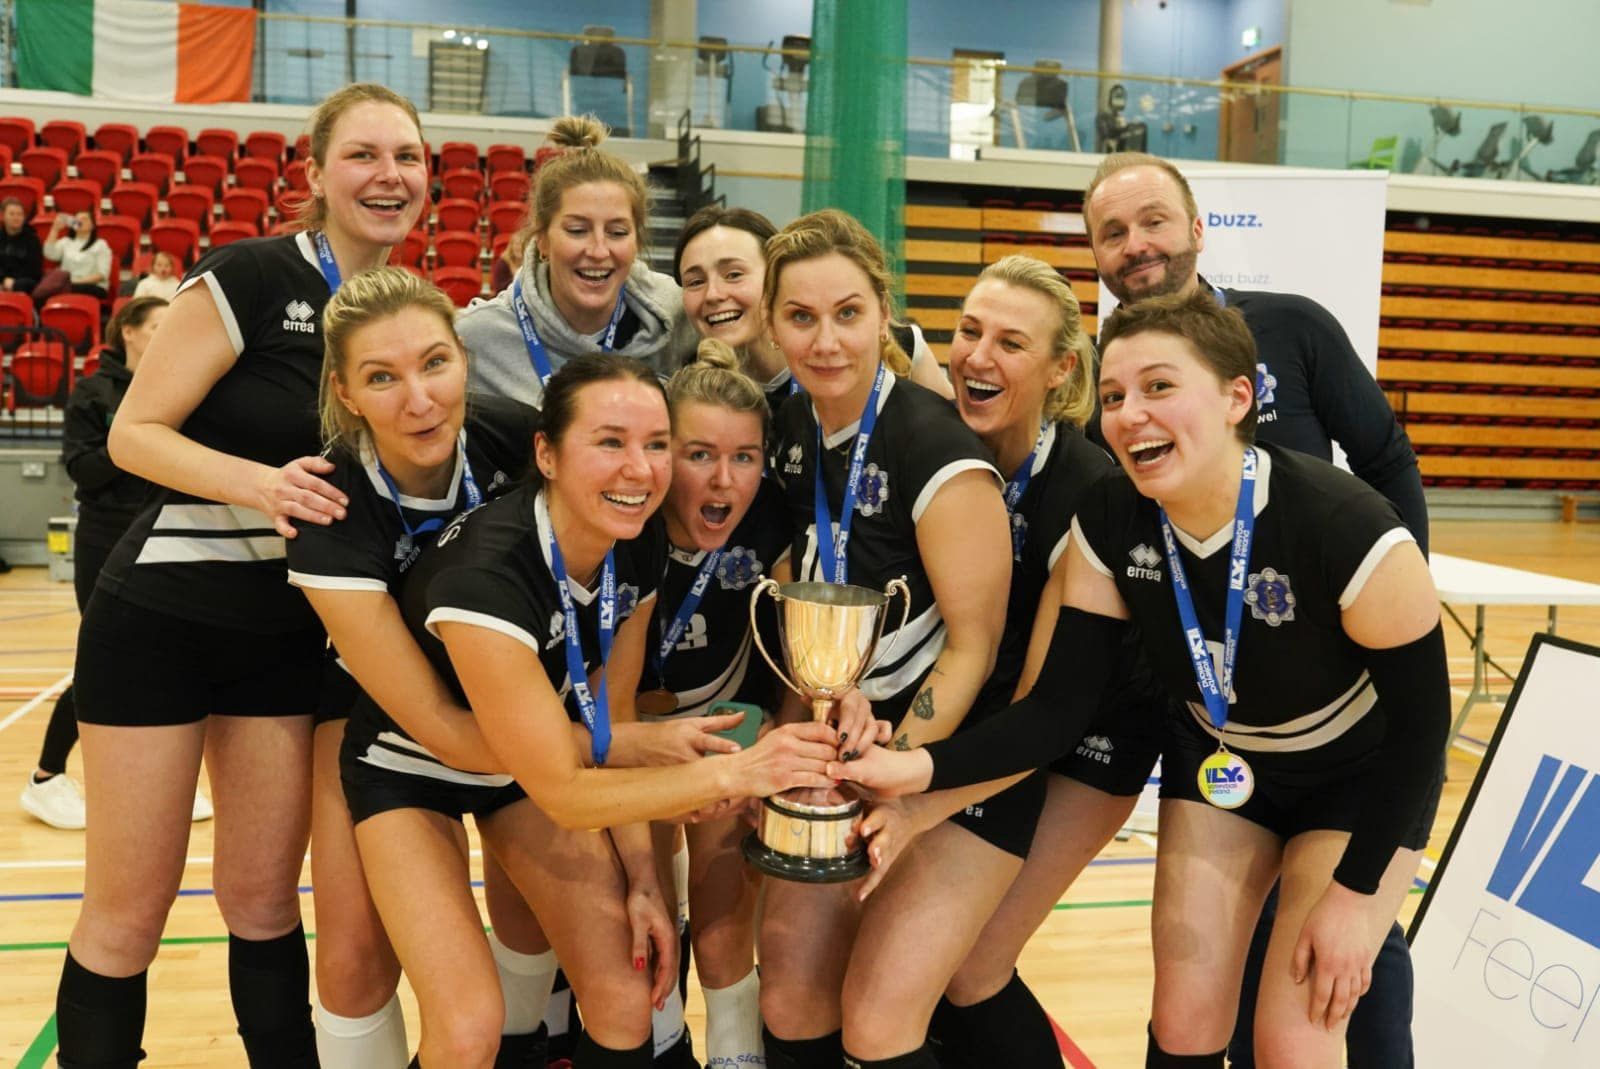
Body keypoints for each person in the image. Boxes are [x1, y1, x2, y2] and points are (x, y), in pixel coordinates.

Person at [838, 289, 1450, 1069]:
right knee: (1185, 1019)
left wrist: (1356, 896)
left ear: (1237, 397)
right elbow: (1057, 711)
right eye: (1118, 394)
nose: (1131, 414)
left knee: (1295, 1040)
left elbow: (1423, 734)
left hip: (1362, 780)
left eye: (1160, 387)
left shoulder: (1348, 526)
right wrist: (917, 775)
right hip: (1223, 761)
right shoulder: (1111, 516)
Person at [53, 83, 429, 1069]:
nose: (388, 176)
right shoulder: (253, 276)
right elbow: (134, 434)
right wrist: (264, 485)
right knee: (129, 914)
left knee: (264, 901)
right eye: (363, 155)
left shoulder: (399, 319)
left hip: (285, 639)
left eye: (407, 157)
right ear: (315, 172)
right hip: (161, 622)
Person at [342, 351, 838, 1068]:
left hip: (537, 761)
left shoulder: (628, 547)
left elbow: (610, 730)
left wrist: (644, 877)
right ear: (545, 453)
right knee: (468, 1027)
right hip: (415, 767)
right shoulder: (488, 581)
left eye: (656, 444)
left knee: (625, 995)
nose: (640, 469)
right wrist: (739, 775)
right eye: (611, 442)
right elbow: (569, 793)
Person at [1084, 151, 1430, 1068]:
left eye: (1152, 220)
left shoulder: (1294, 330)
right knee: (1193, 1000)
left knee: (1332, 982)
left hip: (1345, 716)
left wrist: (1402, 598)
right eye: (1111, 232)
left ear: (1199, 230)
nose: (1135, 244)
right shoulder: (1109, 392)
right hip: (1221, 722)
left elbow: (1388, 459)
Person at [825, 253, 1155, 1069]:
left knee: (965, 969)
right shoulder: (933, 439)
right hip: (995, 717)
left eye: (1011, 342)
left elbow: (1050, 713)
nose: (978, 355)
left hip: (1086, 732)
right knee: (948, 970)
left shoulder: (1086, 489)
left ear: (1061, 368)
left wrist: (913, 800)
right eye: (969, 331)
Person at [758, 208, 1011, 1069]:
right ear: (772, 323)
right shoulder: (788, 427)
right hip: (848, 730)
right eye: (800, 316)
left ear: (883, 313)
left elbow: (974, 646)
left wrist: (896, 772)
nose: (826, 340)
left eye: (848, 313)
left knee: (883, 1007)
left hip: (955, 753)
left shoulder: (935, 445)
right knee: (789, 980)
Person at [284, 266, 553, 1068]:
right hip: (382, 717)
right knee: (355, 947)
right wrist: (595, 758)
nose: (419, 397)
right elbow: (430, 717)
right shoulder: (331, 505)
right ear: (347, 391)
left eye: (435, 362)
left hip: (509, 703)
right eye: (382, 377)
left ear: (465, 358)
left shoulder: (524, 441)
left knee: (543, 916)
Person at [642, 337, 794, 1069]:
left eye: (746, 456)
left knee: (723, 912)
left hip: (734, 719)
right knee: (630, 915)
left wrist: (777, 764)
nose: (725, 478)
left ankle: (738, 1054)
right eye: (699, 454)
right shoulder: (622, 518)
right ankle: (660, 1041)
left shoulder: (775, 519)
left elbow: (800, 665)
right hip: (627, 735)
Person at [21, 298, 214, 831]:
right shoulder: (93, 392)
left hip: (168, 534)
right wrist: (139, 439)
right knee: (104, 662)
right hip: (108, 538)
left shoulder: (181, 389)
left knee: (174, 662)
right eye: (157, 325)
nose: (167, 334)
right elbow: (84, 468)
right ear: (128, 331)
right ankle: (45, 777)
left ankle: (165, 781)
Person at [461, 115, 697, 409]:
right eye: (577, 230)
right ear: (542, 240)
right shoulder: (475, 340)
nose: (599, 250)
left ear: (636, 241)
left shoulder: (679, 316)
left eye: (617, 232)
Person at [673, 205, 954, 412]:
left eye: (733, 274)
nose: (713, 294)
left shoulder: (896, 346)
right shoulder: (696, 391)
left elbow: (962, 443)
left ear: (775, 276)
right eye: (695, 282)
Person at [40, 210, 112, 303]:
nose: (79, 221)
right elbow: (49, 254)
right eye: (76, 219)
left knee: (60, 290)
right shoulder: (66, 242)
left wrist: (75, 281)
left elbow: (102, 275)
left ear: (92, 225)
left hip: (93, 286)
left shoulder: (100, 244)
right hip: (67, 284)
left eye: (84, 219)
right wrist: (55, 229)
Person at [0, 196, 43, 295]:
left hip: (24, 282)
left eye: (20, 214)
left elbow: (34, 271)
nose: (16, 218)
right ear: (3, 216)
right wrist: (3, 280)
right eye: (12, 214)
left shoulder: (32, 239)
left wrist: (13, 283)